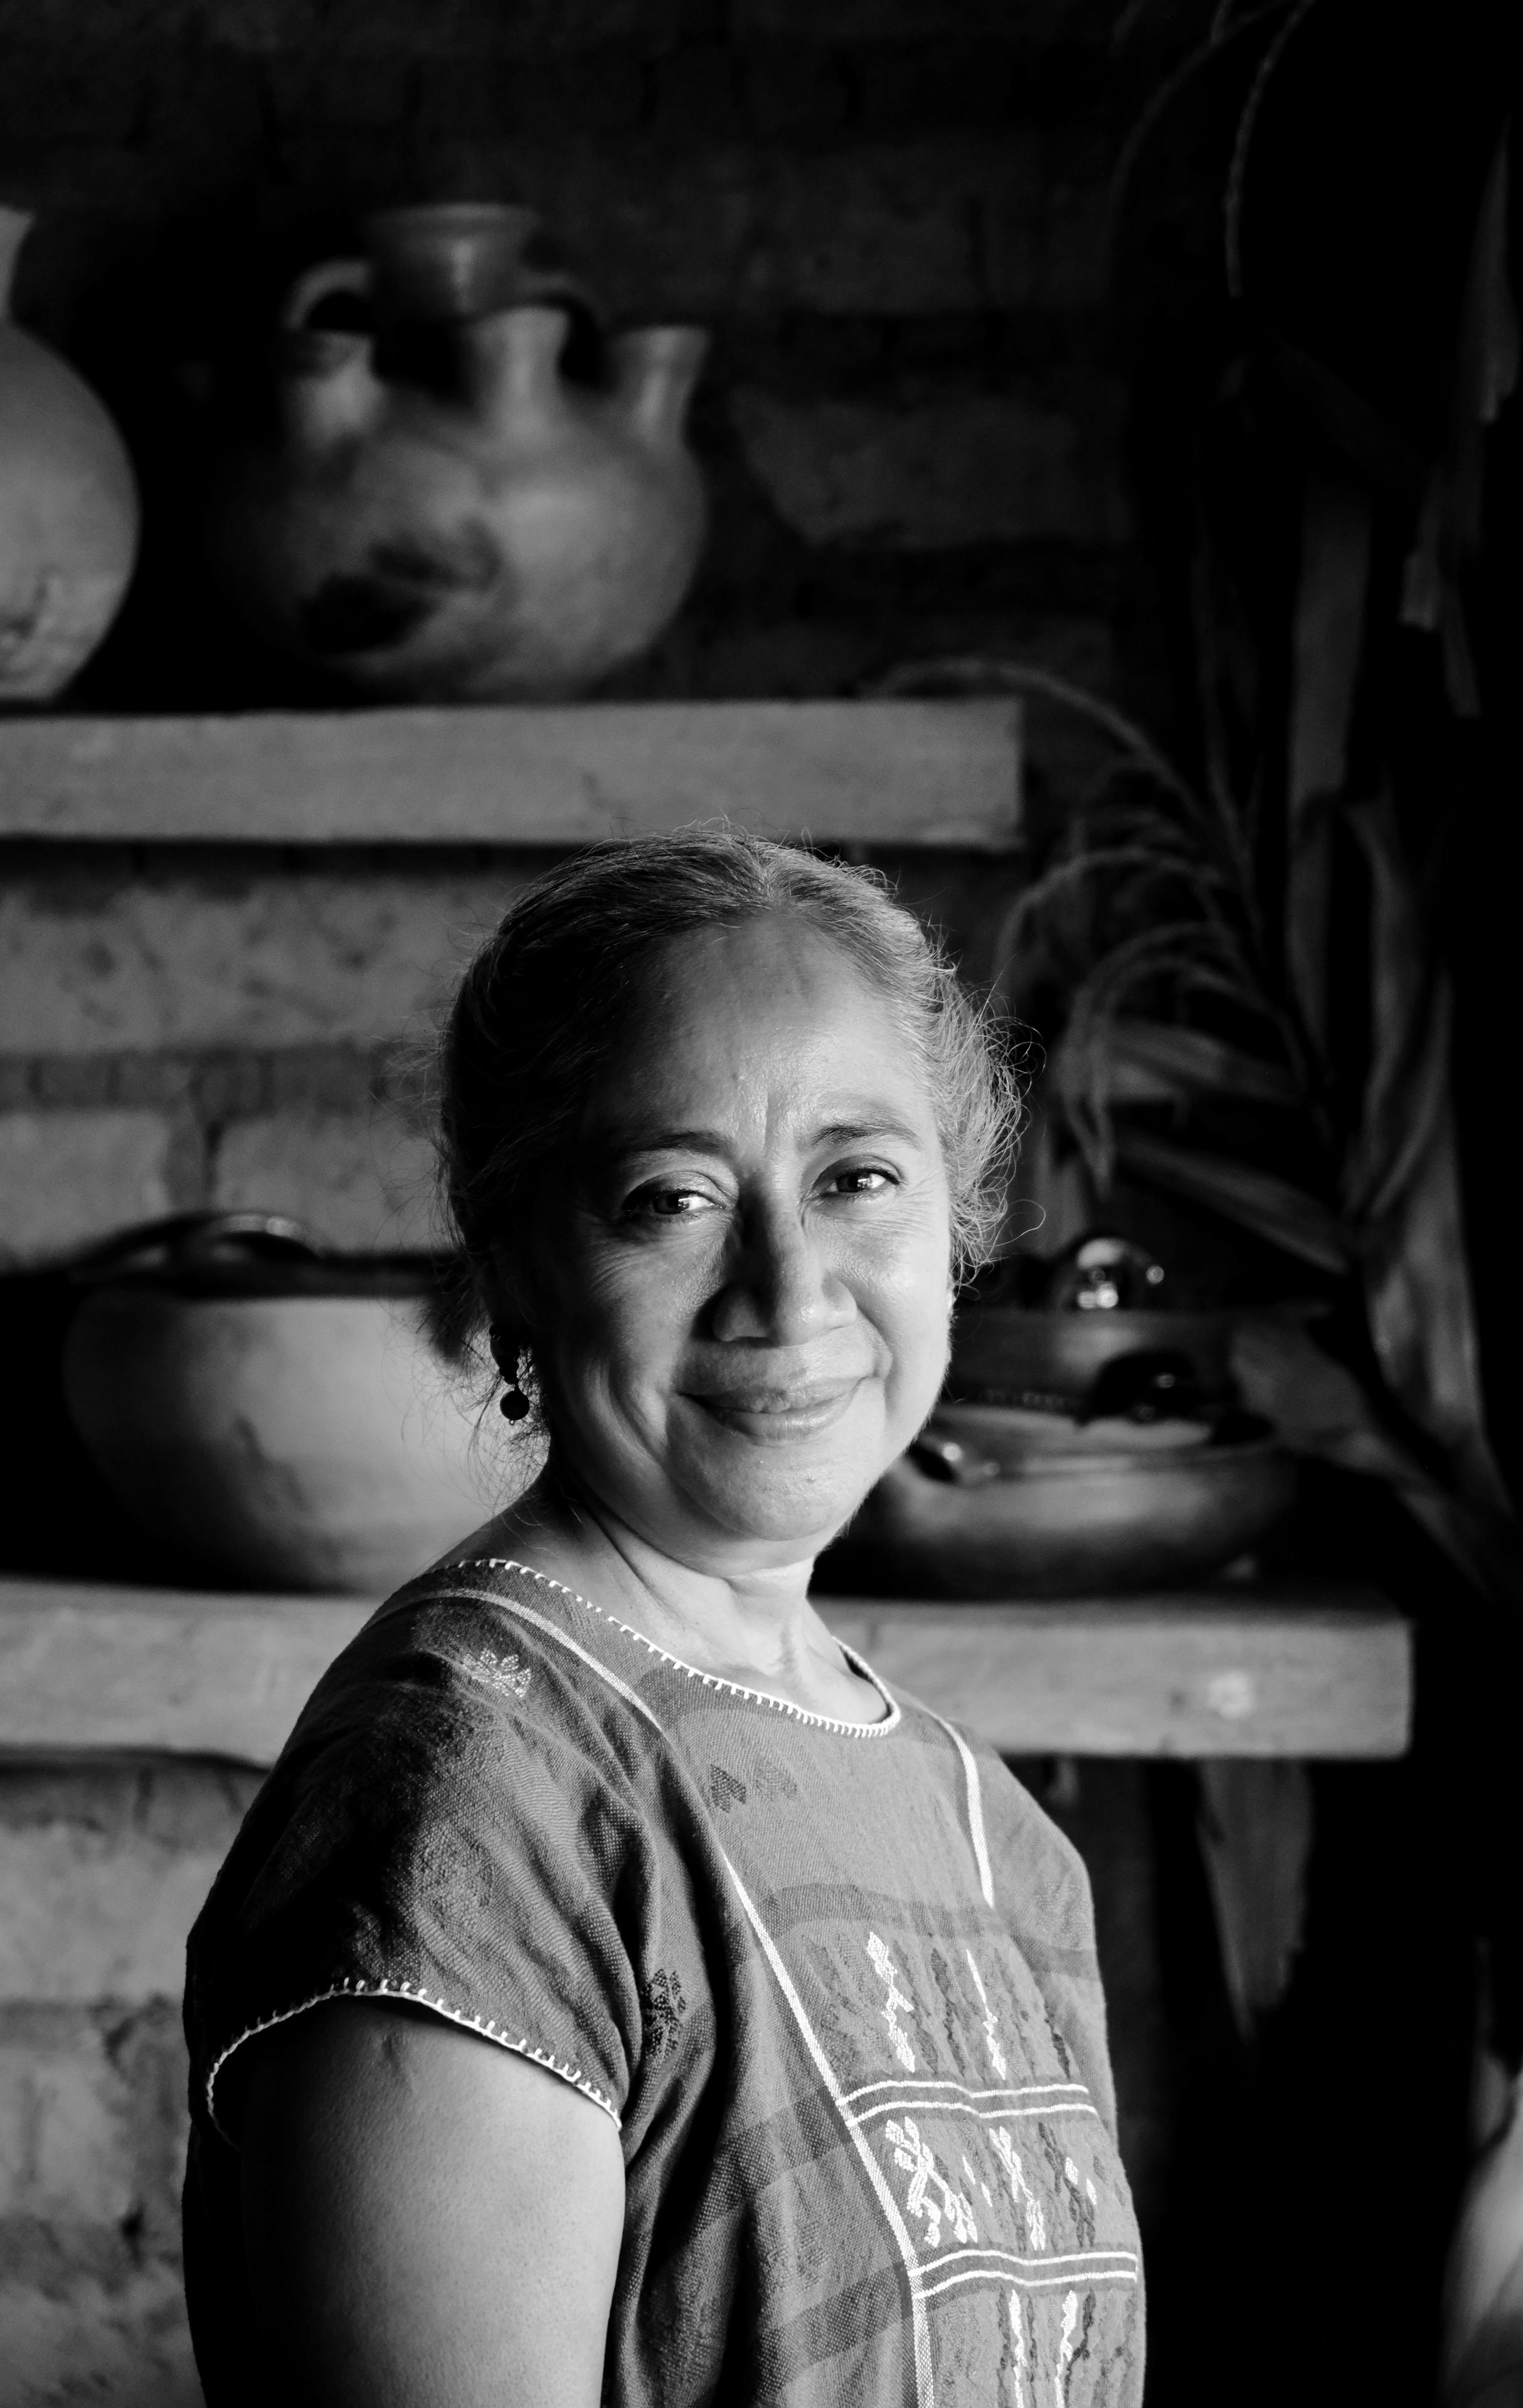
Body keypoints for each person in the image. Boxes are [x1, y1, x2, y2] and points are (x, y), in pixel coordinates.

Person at [183, 826, 1145, 2407]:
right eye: (668, 1198)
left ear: (958, 1230)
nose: (787, 1287)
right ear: (515, 1279)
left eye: (855, 1178)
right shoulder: (472, 1797)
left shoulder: (996, 1837)